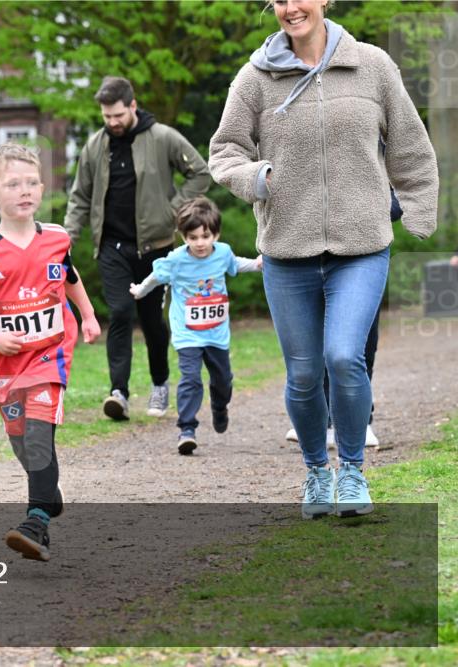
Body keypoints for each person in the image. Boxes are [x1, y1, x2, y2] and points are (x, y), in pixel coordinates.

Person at [209, 0, 438, 519]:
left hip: (362, 247)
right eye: (281, 0)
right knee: (305, 374)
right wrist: (255, 179)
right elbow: (224, 150)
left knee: (343, 357)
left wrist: (419, 210)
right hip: (287, 252)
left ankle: (352, 472)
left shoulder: (372, 65)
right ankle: (317, 473)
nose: (292, 8)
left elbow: (410, 147)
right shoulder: (254, 78)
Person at [0, 144, 101, 562]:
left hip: (50, 354)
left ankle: (36, 523)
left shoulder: (56, 238)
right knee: (21, 440)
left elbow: (69, 277)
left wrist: (87, 315)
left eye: (32, 182)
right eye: (13, 183)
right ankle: (47, 492)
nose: (25, 190)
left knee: (38, 434)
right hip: (6, 362)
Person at [65, 76, 211, 422]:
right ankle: (119, 392)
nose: (112, 122)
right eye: (106, 116)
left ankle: (160, 383)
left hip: (155, 247)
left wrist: (171, 211)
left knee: (151, 320)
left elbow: (200, 174)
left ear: (132, 106)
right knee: (118, 313)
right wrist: (67, 238)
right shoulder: (95, 146)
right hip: (112, 246)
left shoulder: (162, 137)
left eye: (117, 115)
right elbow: (80, 197)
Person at [129, 197, 262, 455]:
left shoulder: (222, 252)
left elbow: (235, 264)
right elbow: (157, 276)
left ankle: (219, 406)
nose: (200, 243)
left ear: (216, 234)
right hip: (187, 333)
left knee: (223, 381)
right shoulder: (177, 260)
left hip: (216, 333)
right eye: (192, 237)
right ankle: (186, 430)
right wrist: (141, 290)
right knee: (190, 379)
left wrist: (257, 265)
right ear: (183, 237)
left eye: (205, 236)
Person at [285, 188, 402, 449]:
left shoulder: (373, 154)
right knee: (315, 348)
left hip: (361, 261)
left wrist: (360, 208)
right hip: (308, 262)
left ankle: (363, 421)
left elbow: (399, 200)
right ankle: (322, 420)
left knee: (355, 350)